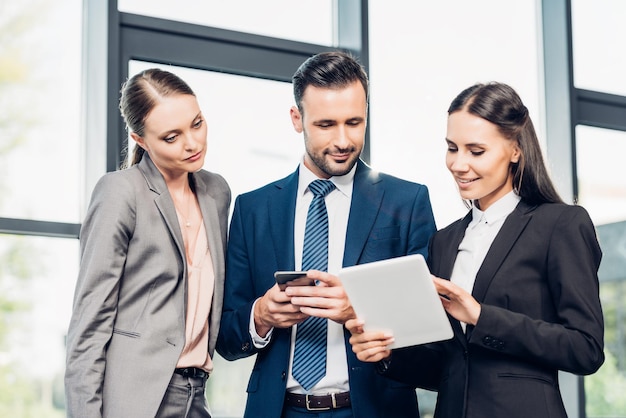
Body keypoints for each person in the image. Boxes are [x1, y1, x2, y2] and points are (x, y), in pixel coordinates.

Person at [346, 82, 605, 418]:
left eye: (476, 151)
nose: (458, 164)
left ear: (515, 150)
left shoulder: (560, 225)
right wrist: (386, 355)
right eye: (452, 148)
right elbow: (448, 366)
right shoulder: (445, 241)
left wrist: (482, 316)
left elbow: (585, 349)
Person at [216, 51, 437, 417]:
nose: (343, 140)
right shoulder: (253, 209)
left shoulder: (408, 202)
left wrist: (361, 311)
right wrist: (261, 316)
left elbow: (430, 337)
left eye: (354, 122)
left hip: (373, 409)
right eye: (326, 125)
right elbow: (226, 338)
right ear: (296, 119)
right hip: (279, 410)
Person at [65, 68, 231, 418]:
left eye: (197, 123)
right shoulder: (121, 192)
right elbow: (89, 325)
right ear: (140, 140)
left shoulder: (217, 192)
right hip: (134, 399)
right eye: (171, 137)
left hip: (197, 393)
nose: (192, 143)